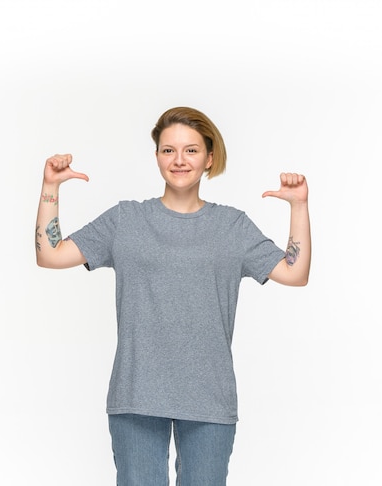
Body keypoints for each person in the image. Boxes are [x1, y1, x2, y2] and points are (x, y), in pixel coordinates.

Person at [35, 106, 311, 485]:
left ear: (209, 158)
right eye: (168, 150)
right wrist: (51, 187)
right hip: (137, 395)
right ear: (157, 157)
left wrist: (299, 206)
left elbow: (295, 273)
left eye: (191, 150)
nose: (179, 160)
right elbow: (50, 255)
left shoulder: (232, 226)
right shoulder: (126, 220)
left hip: (210, 399)